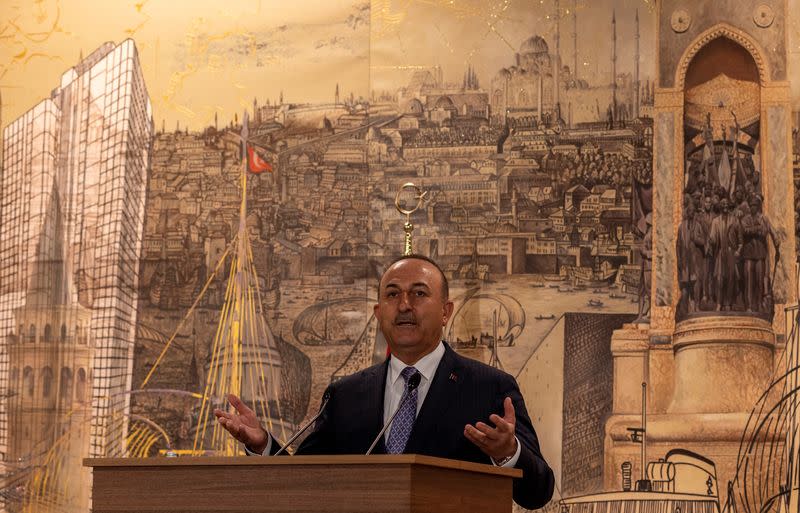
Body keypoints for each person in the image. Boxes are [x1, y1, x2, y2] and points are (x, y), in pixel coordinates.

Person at [214, 255, 555, 510]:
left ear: (446, 310)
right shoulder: (345, 394)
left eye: (419, 293)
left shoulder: (490, 387)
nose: (404, 305)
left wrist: (508, 454)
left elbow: (539, 492)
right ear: (378, 313)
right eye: (392, 295)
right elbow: (303, 483)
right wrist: (263, 446)